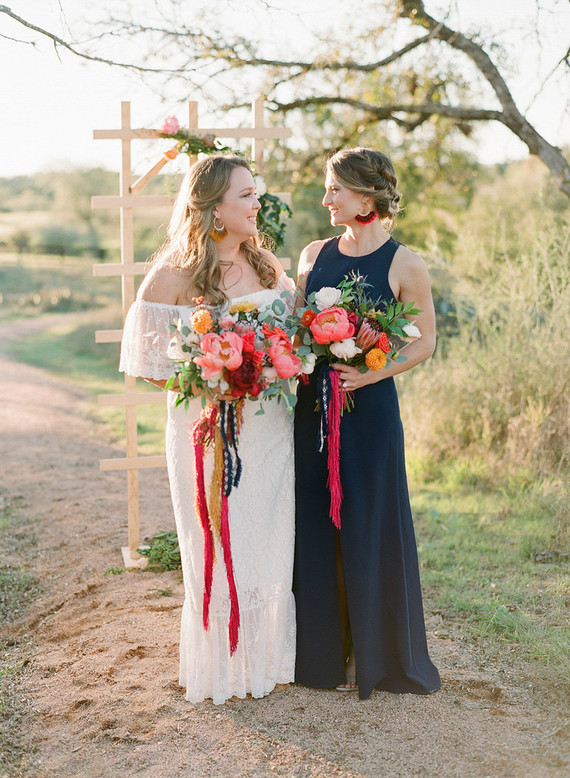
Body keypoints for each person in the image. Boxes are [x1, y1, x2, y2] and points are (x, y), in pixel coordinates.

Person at [119, 155, 296, 705]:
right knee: (217, 537)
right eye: (246, 194)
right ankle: (221, 667)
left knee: (267, 539)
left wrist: (267, 368)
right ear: (215, 208)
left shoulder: (266, 267)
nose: (256, 203)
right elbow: (146, 362)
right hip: (206, 432)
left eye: (255, 192)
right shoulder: (173, 275)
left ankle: (266, 660)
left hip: (270, 432)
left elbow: (291, 342)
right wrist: (208, 382)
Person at [293, 147, 441, 698]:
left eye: (334, 188)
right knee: (317, 522)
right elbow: (297, 329)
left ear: (365, 196)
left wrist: (372, 376)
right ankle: (323, 657)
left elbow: (424, 342)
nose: (326, 198)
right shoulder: (312, 254)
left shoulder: (406, 263)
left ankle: (377, 655)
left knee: (369, 522)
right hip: (313, 409)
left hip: (371, 411)